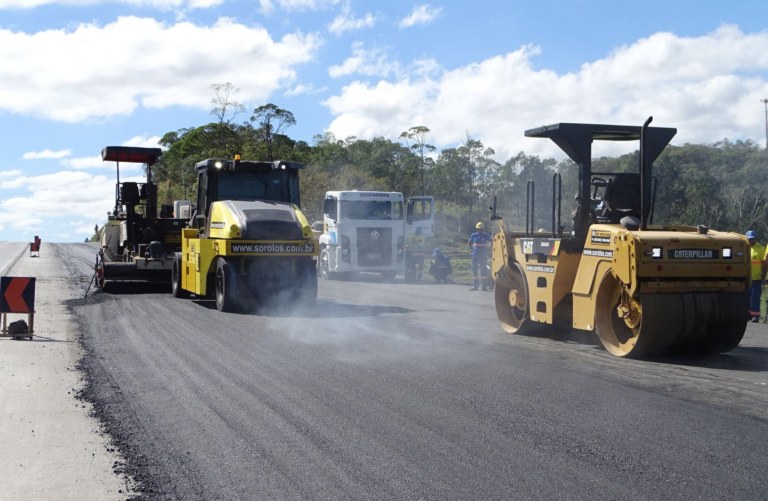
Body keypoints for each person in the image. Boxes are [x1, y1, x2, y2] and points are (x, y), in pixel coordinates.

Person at [747, 230, 767, 323]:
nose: (751, 240)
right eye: (749, 239)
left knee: (755, 297)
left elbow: (765, 264)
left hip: (756, 278)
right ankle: (749, 314)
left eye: (752, 238)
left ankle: (756, 315)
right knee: (747, 297)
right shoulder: (744, 247)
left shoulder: (760, 248)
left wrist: (763, 276)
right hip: (746, 278)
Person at [468, 221, 492, 291]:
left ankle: (484, 287)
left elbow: (492, 240)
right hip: (475, 255)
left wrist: (489, 247)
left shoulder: (485, 235)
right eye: (479, 229)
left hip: (483, 256)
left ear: (483, 229)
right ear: (477, 229)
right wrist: (471, 249)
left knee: (483, 270)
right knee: (474, 270)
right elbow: (470, 243)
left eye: (481, 229)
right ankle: (475, 286)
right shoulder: (473, 235)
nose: (480, 230)